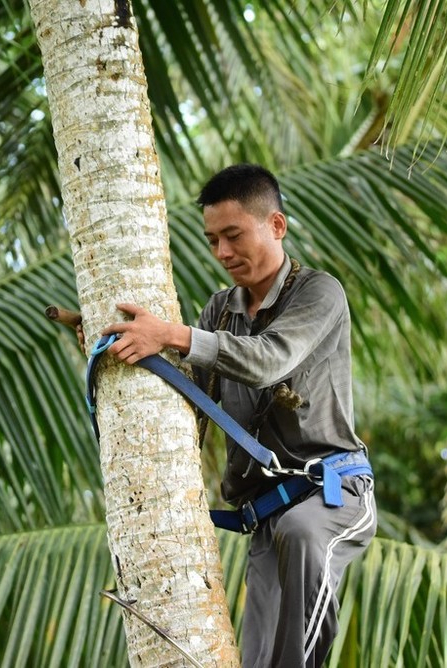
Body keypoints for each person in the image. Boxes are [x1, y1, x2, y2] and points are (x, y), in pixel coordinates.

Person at [101, 163, 376, 668]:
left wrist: (174, 334)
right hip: (266, 516)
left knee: (301, 542)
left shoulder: (319, 292)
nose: (223, 253)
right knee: (257, 660)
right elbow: (190, 401)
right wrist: (118, 348)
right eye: (212, 241)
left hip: (333, 495)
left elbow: (269, 359)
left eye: (233, 235)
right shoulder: (220, 310)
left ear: (276, 225)